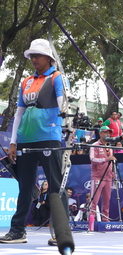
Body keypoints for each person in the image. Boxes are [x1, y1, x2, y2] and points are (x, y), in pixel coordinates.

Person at [0, 39, 68, 244]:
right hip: (25, 140)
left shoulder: (57, 78)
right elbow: (19, 114)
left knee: (55, 187)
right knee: (25, 187)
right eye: (31, 55)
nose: (33, 59)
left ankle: (62, 232)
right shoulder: (26, 82)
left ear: (49, 57)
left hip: (49, 138)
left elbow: (63, 107)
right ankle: (18, 231)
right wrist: (13, 142)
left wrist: (66, 122)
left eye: (37, 55)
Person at [89, 126, 117, 222]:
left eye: (109, 133)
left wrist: (114, 174)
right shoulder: (95, 145)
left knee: (107, 200)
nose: (107, 134)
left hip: (108, 177)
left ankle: (105, 219)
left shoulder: (109, 147)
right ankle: (91, 220)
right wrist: (106, 159)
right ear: (100, 133)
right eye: (105, 132)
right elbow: (92, 159)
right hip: (98, 176)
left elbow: (111, 162)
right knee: (94, 200)